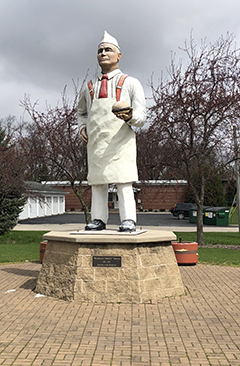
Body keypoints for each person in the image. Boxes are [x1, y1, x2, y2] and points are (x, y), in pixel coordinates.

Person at [77, 31, 146, 232]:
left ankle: (128, 220)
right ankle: (98, 219)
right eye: (100, 51)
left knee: (123, 181)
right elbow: (81, 112)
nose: (103, 53)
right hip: (97, 142)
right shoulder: (89, 87)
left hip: (121, 141)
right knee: (98, 182)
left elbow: (142, 116)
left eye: (108, 50)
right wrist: (82, 127)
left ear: (119, 55)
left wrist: (129, 116)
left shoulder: (130, 83)